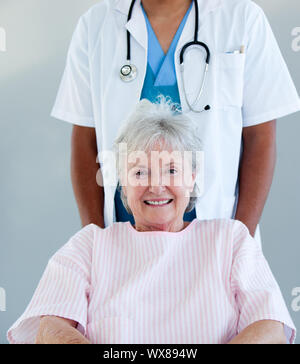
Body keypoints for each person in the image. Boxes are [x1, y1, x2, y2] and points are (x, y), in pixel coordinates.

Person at [7, 99, 296, 344]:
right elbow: (51, 329)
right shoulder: (90, 245)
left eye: (172, 170)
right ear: (123, 183)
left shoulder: (231, 240)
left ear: (192, 178)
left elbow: (270, 328)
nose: (156, 186)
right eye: (140, 172)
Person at [50, 0, 300, 246]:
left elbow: (261, 138)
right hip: (123, 237)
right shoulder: (95, 25)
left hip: (218, 232)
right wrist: (95, 243)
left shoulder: (243, 18)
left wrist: (239, 243)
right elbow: (85, 141)